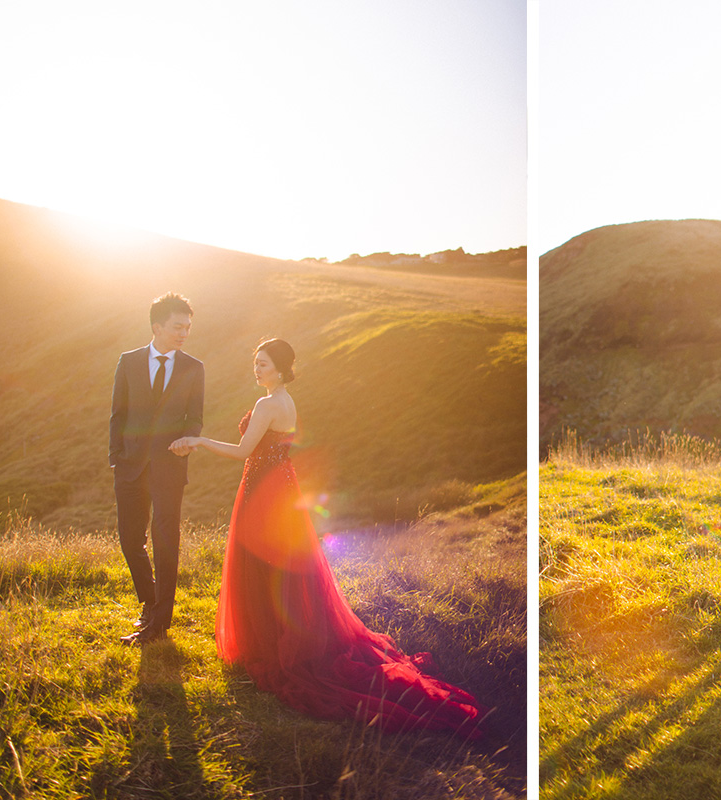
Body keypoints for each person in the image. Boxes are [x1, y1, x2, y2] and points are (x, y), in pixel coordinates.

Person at [170, 339, 484, 738]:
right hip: (283, 487)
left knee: (263, 564)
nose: (256, 369)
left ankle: (268, 642)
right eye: (255, 363)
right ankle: (276, 634)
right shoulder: (285, 399)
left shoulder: (268, 404)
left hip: (264, 489)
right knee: (280, 567)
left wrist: (198, 441)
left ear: (281, 369)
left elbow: (242, 451)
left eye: (263, 364)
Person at [109, 292, 205, 645]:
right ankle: (150, 603)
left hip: (169, 467)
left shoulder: (194, 367)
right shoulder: (128, 361)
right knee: (130, 540)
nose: (184, 333)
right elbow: (118, 414)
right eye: (178, 327)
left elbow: (195, 417)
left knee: (167, 541)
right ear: (157, 327)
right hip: (129, 467)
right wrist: (116, 458)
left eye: (188, 328)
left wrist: (187, 440)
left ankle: (159, 623)